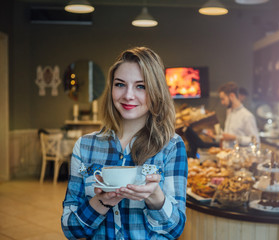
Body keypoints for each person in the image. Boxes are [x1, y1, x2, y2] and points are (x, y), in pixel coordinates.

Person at [61, 47, 188, 240]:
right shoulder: (85, 146)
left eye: (141, 86)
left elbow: (175, 230)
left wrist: (156, 198)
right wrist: (101, 201)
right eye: (120, 84)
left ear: (156, 92)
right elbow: (71, 229)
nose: (128, 95)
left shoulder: (171, 146)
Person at [218, 82, 259, 148]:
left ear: (232, 96)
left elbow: (255, 141)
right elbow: (227, 137)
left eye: (223, 99)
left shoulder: (247, 116)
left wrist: (235, 138)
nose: (222, 102)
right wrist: (214, 136)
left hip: (240, 157)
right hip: (227, 156)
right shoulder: (229, 112)